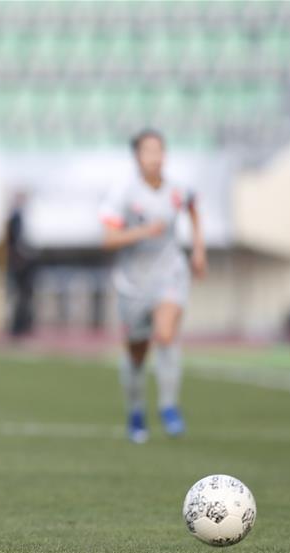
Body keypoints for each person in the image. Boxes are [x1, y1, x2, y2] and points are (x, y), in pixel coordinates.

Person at [100, 129, 206, 443]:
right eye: (148, 151)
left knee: (166, 334)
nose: (154, 157)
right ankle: (135, 412)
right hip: (133, 282)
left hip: (170, 273)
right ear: (137, 157)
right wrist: (143, 232)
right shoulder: (124, 193)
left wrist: (198, 249)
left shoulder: (178, 189)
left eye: (159, 150)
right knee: (136, 352)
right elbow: (108, 239)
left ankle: (169, 407)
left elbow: (193, 207)